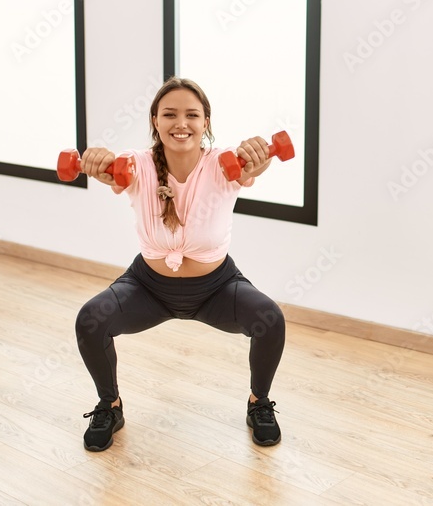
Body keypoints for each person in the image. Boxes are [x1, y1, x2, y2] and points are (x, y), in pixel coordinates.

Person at [74, 77, 286, 452]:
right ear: (155, 120)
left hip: (216, 289)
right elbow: (111, 169)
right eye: (169, 114)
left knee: (269, 318)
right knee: (90, 320)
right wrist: (95, 162)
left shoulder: (225, 163)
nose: (181, 123)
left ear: (206, 122)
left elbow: (252, 167)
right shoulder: (137, 164)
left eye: (192, 114)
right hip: (148, 287)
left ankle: (259, 403)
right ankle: (110, 405)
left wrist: (259, 154)